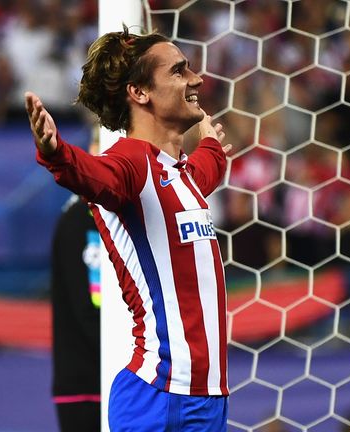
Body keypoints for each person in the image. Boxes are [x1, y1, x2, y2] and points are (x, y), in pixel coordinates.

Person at [26, 24, 232, 431]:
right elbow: (90, 174)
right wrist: (56, 152)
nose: (196, 79)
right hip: (158, 398)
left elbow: (205, 171)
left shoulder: (181, 173)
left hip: (209, 400)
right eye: (178, 71)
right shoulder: (131, 165)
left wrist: (211, 145)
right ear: (139, 93)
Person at [50, 192, 102, 431]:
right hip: (84, 383)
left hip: (117, 379)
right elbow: (83, 306)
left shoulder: (117, 214)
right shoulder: (77, 219)